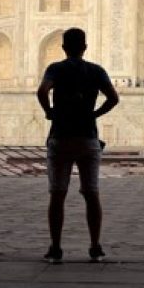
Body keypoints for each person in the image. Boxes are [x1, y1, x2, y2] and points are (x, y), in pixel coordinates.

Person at [36, 28, 119, 264]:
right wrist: (94, 114)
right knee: (91, 193)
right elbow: (113, 98)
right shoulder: (95, 71)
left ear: (63, 47)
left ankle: (56, 248)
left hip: (61, 136)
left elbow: (42, 91)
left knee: (57, 194)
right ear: (85, 46)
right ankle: (94, 246)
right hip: (88, 138)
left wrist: (50, 112)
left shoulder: (56, 69)